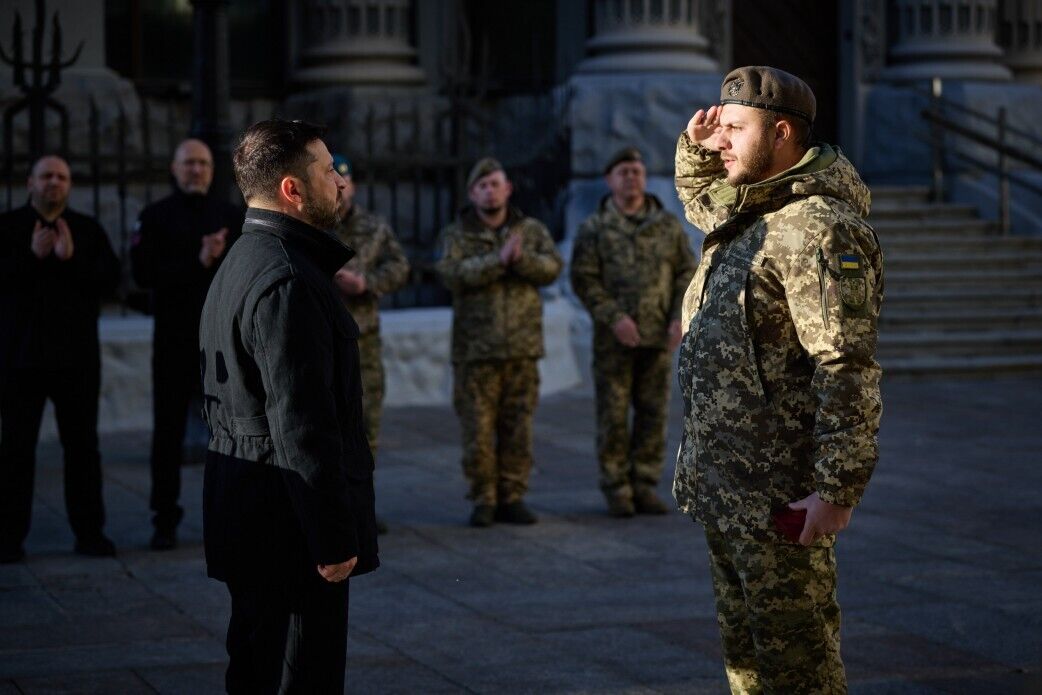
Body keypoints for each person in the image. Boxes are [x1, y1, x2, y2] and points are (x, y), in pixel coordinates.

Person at [674, 66, 883, 692]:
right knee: (748, 667)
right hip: (728, 485)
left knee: (798, 673)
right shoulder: (754, 208)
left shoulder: (817, 228)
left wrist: (837, 491)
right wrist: (695, 149)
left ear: (783, 132)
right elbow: (704, 201)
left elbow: (845, 366)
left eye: (735, 129)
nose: (722, 141)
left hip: (779, 497)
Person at [199, 119, 379, 693]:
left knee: (256, 667)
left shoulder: (245, 257)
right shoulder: (286, 278)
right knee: (301, 675)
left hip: (256, 515)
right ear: (291, 190)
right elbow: (302, 423)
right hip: (287, 530)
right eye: (328, 171)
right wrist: (331, 538)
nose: (340, 184)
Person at [0, 155, 120, 562]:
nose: (54, 183)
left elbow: (112, 282)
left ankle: (90, 533)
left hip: (76, 361)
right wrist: (30, 256)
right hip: (19, 360)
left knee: (83, 449)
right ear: (30, 182)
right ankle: (8, 538)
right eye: (46, 176)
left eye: (62, 177)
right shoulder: (9, 228)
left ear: (69, 185)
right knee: (15, 450)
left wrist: (73, 259)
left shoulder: (86, 230)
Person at [570, 146, 696, 518]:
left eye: (637, 171)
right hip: (614, 341)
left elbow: (685, 273)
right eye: (623, 171)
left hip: (658, 337)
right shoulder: (594, 228)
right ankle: (616, 487)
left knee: (653, 414)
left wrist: (679, 318)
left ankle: (644, 484)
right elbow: (584, 279)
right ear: (609, 180)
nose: (631, 177)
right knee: (612, 415)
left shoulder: (667, 225)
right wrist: (614, 318)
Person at [437, 158, 562, 528]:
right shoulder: (456, 234)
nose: (490, 191)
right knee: (477, 429)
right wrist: (497, 260)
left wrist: (520, 260)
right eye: (482, 186)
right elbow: (449, 274)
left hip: (521, 348)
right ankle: (483, 498)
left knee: (518, 427)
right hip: (476, 352)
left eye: (495, 184)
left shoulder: (530, 230)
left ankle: (513, 495)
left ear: (508, 189)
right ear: (472, 194)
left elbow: (552, 268)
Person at [130, 138, 243, 551]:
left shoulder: (232, 215)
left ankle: (232, 517)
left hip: (224, 345)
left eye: (203, 163)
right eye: (188, 163)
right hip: (175, 343)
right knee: (168, 433)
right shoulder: (155, 217)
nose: (196, 170)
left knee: (233, 433)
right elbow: (142, 276)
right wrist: (196, 261)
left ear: (212, 171)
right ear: (174, 169)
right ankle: (165, 518)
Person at [330, 154, 409, 535]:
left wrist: (367, 284)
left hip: (364, 343)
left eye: (345, 185)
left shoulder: (374, 227)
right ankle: (330, 508)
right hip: (322, 342)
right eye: (334, 184)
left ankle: (362, 508)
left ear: (354, 187)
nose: (340, 192)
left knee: (366, 429)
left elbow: (400, 267)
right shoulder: (311, 225)